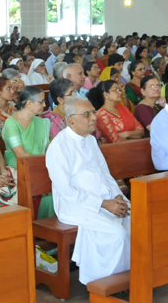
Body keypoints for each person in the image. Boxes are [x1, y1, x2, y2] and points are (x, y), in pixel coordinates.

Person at [46, 96, 131, 284]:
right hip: (75, 206)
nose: (93, 117)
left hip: (105, 199)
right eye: (87, 114)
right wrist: (104, 204)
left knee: (137, 218)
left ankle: (130, 276)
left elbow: (105, 173)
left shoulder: (90, 141)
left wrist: (117, 196)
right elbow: (67, 191)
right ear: (71, 120)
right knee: (117, 235)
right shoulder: (58, 147)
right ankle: (104, 283)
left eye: (93, 112)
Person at [2, 86, 54, 219]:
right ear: (29, 103)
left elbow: (49, 149)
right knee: (50, 195)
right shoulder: (11, 123)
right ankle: (40, 230)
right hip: (20, 168)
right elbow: (20, 154)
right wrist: (44, 168)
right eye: (41, 102)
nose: (44, 105)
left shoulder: (42, 123)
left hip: (41, 166)